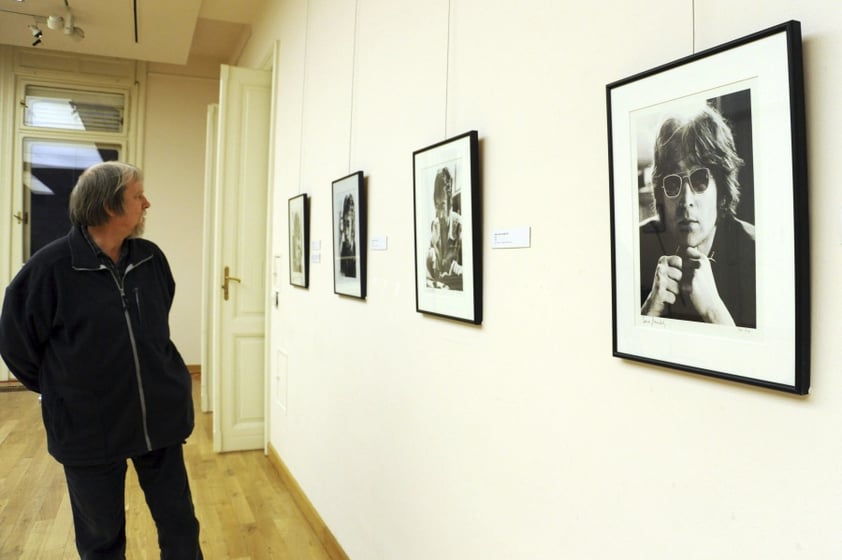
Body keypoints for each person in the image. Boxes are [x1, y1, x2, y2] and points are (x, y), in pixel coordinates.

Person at [0, 162, 203, 559]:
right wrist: (63, 389)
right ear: (109, 206)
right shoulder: (49, 269)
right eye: (137, 195)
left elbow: (158, 321)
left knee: (180, 525)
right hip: (88, 431)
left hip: (158, 421)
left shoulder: (150, 259)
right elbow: (17, 346)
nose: (147, 203)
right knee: (102, 539)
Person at [639, 103, 756, 328]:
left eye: (700, 179)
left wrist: (714, 311)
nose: (685, 200)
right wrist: (649, 310)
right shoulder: (639, 245)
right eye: (673, 183)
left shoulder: (757, 253)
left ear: (721, 190)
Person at [425, 167, 463, 290]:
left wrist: (456, 270)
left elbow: (470, 272)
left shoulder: (460, 226)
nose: (440, 214)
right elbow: (428, 270)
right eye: (437, 205)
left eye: (443, 205)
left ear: (450, 203)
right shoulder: (434, 226)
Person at [339, 193, 357, 277]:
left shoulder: (356, 249)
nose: (347, 232)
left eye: (349, 224)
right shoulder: (342, 251)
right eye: (345, 224)